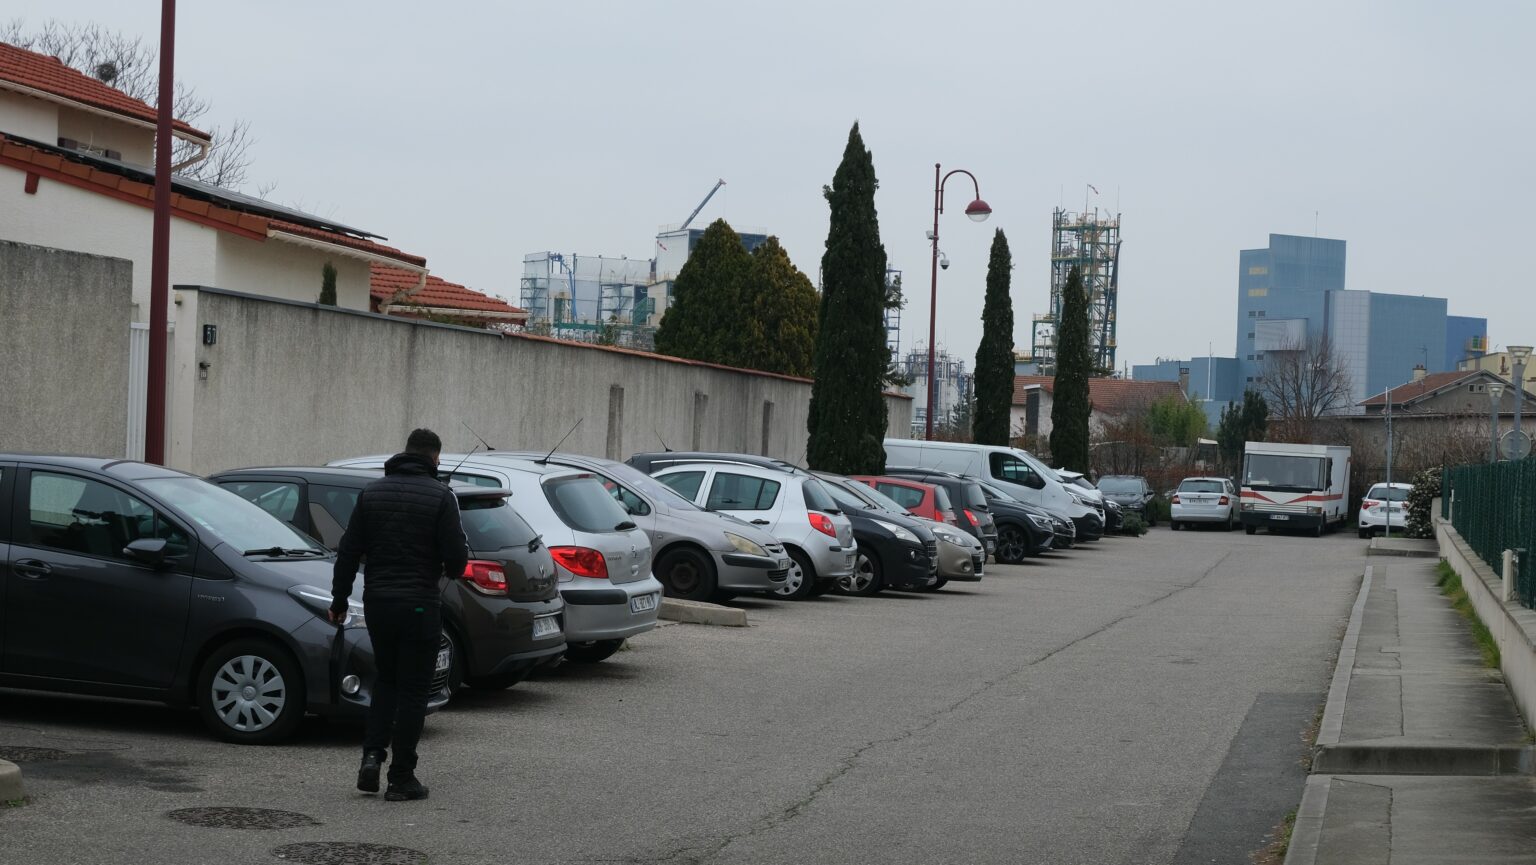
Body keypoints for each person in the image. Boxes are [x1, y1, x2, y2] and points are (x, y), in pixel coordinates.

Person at [330, 428, 469, 801]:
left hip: (378, 603)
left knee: (386, 681)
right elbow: (457, 559)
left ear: (405, 452)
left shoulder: (371, 493)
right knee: (413, 690)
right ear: (435, 458)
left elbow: (348, 551)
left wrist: (339, 601)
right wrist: (448, 566)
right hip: (420, 604)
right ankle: (401, 777)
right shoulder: (442, 496)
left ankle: (371, 757)